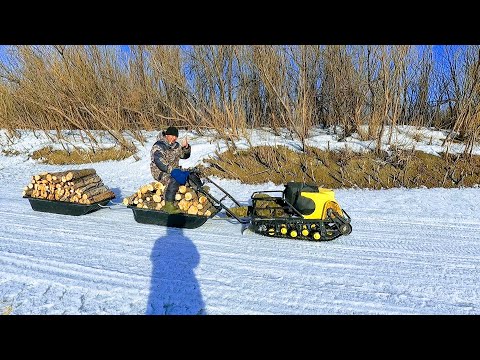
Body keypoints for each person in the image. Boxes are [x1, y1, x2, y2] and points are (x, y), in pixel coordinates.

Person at [150, 126, 202, 214]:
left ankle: (202, 194)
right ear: (166, 135)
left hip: (175, 170)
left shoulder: (176, 145)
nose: (174, 138)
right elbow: (159, 162)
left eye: (175, 136)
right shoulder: (158, 146)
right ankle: (168, 205)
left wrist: (186, 148)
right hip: (160, 172)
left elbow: (184, 156)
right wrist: (173, 171)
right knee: (173, 180)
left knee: (192, 175)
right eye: (172, 136)